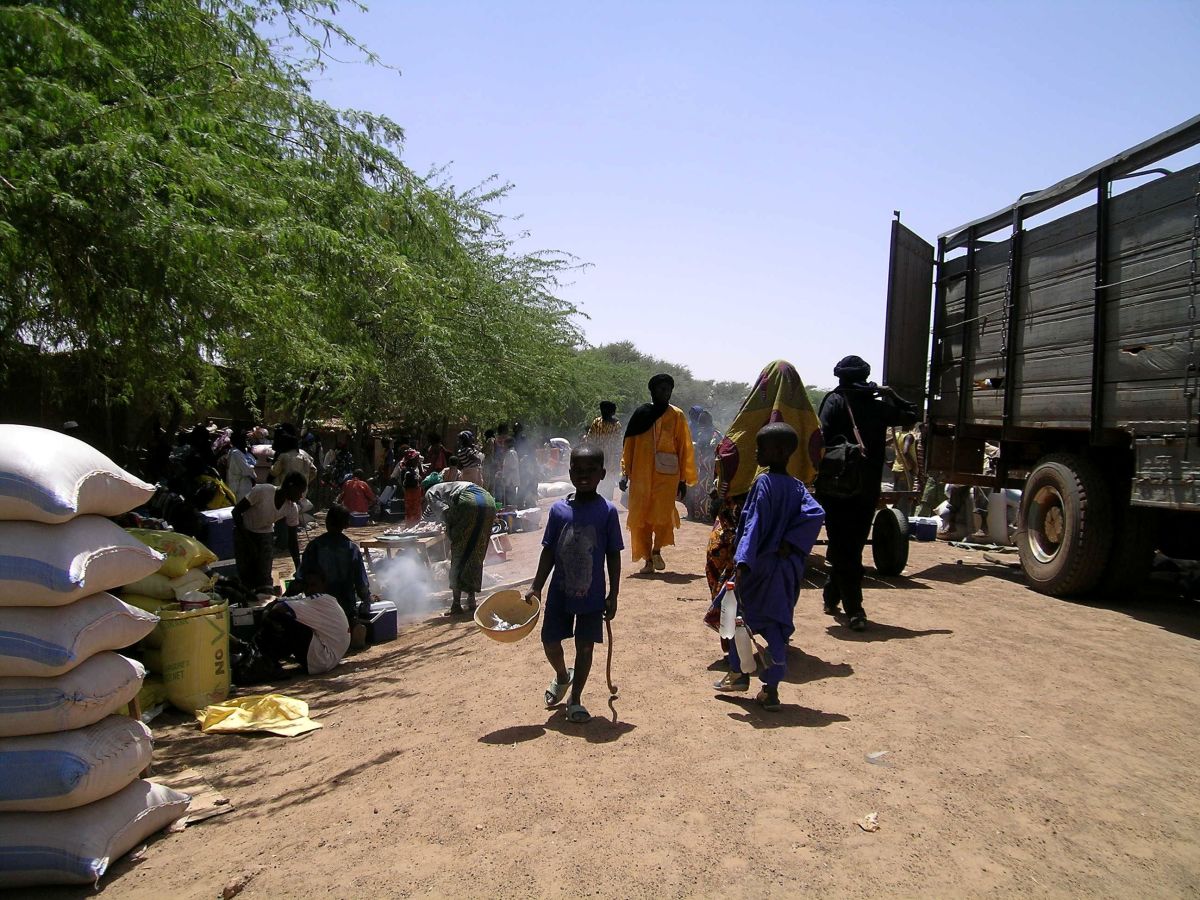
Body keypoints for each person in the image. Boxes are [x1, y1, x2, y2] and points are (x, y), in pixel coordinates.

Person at [703, 360, 823, 643]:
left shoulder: (744, 428)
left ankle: (733, 643)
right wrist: (792, 540)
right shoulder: (808, 427)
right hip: (782, 529)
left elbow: (725, 465)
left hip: (739, 522)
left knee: (728, 574)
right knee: (777, 588)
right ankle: (772, 641)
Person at [712, 424, 825, 709]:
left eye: (761, 448)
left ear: (781, 451)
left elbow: (753, 525)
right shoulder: (797, 486)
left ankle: (738, 672)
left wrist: (742, 563)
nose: (757, 452)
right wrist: (791, 542)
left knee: (734, 616)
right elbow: (816, 513)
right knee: (774, 624)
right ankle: (771, 689)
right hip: (784, 571)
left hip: (757, 566)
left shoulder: (764, 483)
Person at [816, 355, 919, 631]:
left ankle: (841, 601)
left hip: (836, 487)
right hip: (867, 488)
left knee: (843, 546)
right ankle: (852, 607)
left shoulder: (834, 401)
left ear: (840, 377)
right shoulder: (877, 406)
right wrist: (891, 394)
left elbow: (820, 437)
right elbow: (912, 414)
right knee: (852, 547)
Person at [524, 446, 622, 724]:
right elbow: (549, 551)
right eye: (578, 470)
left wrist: (614, 594)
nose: (584, 476)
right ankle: (562, 676)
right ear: (569, 473)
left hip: (592, 595)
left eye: (591, 471)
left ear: (602, 474)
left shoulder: (607, 512)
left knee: (585, 646)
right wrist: (536, 585)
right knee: (550, 641)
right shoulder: (558, 511)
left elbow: (613, 555)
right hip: (560, 592)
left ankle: (575, 698)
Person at [619, 373, 697, 574]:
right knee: (641, 516)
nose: (665, 393)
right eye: (661, 389)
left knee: (662, 513)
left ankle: (656, 550)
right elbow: (629, 445)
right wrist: (624, 473)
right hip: (641, 475)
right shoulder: (641, 414)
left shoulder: (677, 415)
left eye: (668, 390)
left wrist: (683, 479)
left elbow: (684, 447)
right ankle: (647, 560)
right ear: (653, 391)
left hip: (668, 475)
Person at [298, 504, 370, 649]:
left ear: (327, 521)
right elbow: (361, 583)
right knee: (351, 613)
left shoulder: (314, 546)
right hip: (345, 607)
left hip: (320, 607)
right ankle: (353, 625)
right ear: (347, 525)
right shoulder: (352, 548)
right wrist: (367, 599)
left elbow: (300, 578)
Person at [423, 480, 498, 615]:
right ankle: (471, 599)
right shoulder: (451, 486)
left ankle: (456, 604)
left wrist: (451, 531)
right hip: (488, 501)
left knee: (459, 554)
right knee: (476, 551)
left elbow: (445, 512)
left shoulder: (430, 492)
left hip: (468, 503)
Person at [257, 570, 350, 675]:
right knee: (291, 618)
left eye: (313, 585)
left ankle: (269, 659)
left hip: (322, 659)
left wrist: (266, 615)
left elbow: (279, 607)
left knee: (283, 618)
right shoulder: (328, 600)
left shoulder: (318, 600)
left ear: (324, 585)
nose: (309, 590)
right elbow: (287, 601)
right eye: (306, 586)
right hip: (330, 659)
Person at [232, 472, 307, 593]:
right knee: (246, 575)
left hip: (265, 534)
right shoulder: (263, 491)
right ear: (291, 487)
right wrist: (248, 542)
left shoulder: (292, 508)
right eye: (300, 492)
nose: (301, 496)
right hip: (244, 531)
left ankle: (264, 593)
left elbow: (292, 540)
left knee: (264, 577)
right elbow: (236, 512)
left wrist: (299, 568)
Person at [584, 401, 624, 500]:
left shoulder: (616, 425)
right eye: (602, 410)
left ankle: (607, 501)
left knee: (608, 480)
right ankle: (596, 500)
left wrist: (617, 457)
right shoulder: (596, 422)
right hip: (596, 457)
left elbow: (619, 443)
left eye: (606, 410)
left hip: (610, 459)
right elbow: (590, 438)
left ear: (612, 412)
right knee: (596, 478)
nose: (604, 412)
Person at [225, 427, 257, 502]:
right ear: (239, 441)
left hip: (244, 484)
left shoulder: (244, 452)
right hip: (239, 486)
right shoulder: (236, 453)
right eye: (244, 439)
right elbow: (247, 470)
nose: (246, 442)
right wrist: (253, 470)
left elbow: (254, 463)